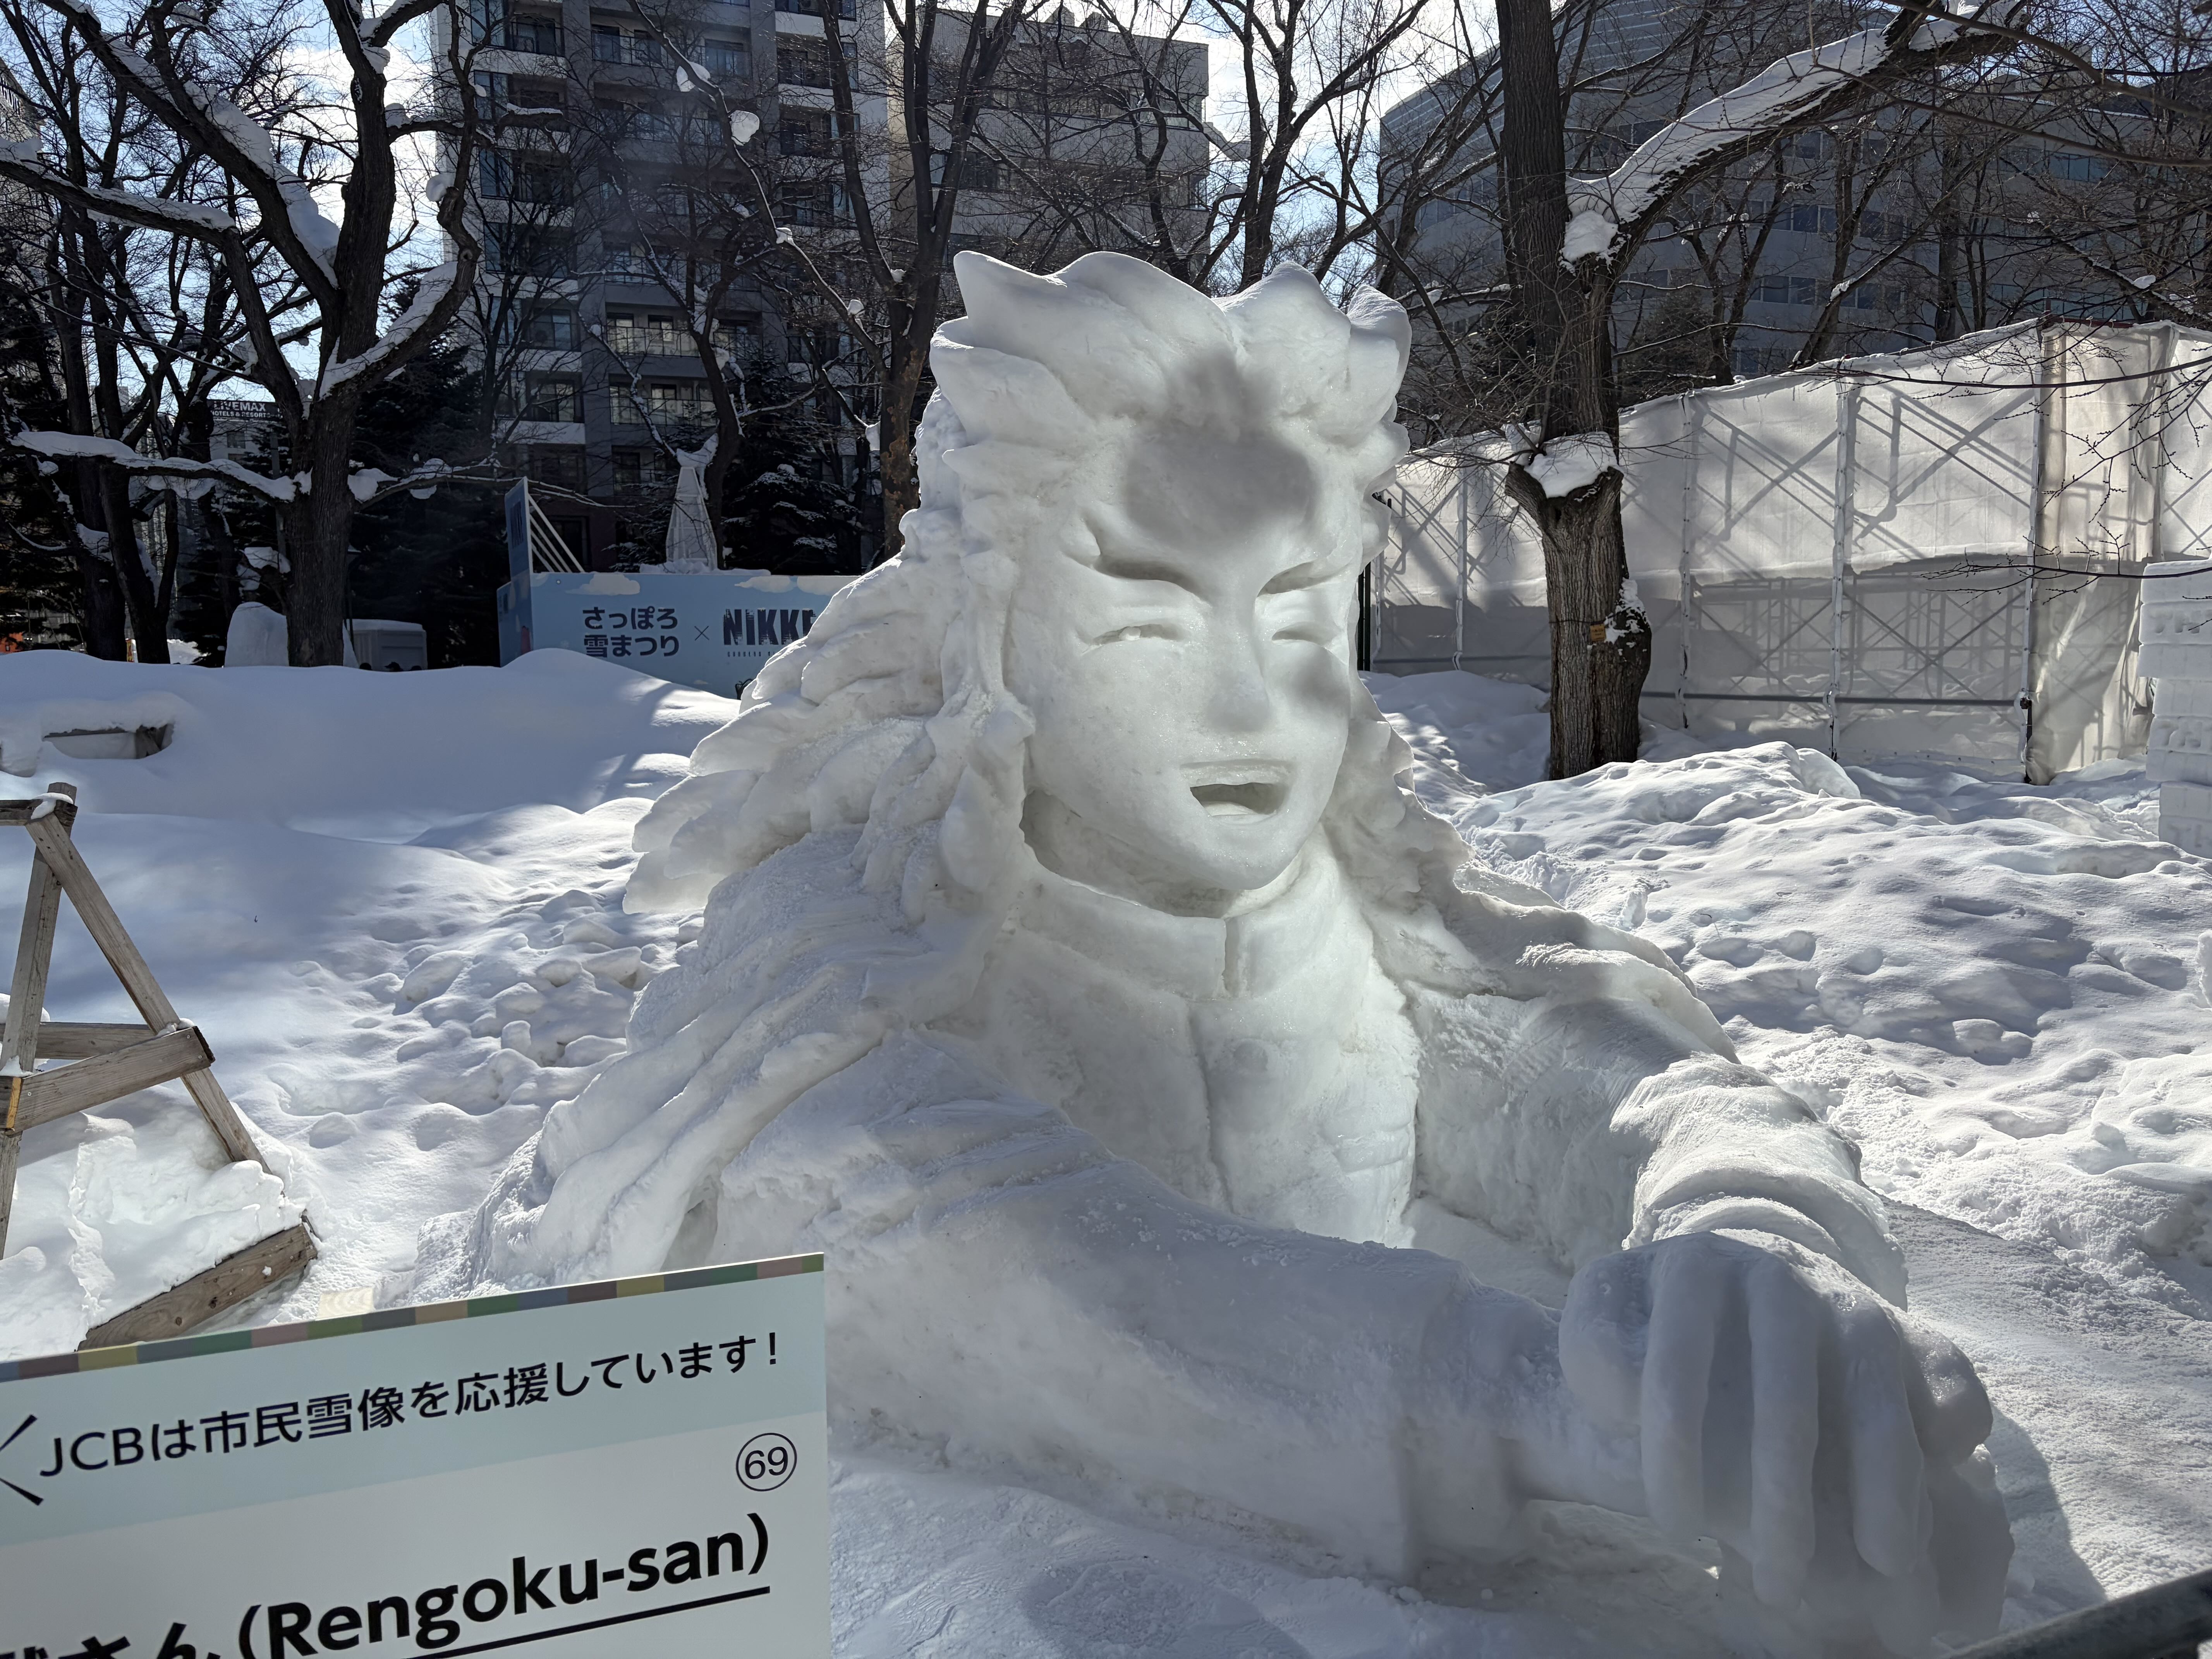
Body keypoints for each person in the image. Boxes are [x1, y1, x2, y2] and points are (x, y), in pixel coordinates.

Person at [414, 252, 2009, 1654]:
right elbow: (1016, 1267)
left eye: (1302, 618)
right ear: (991, 635)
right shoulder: (866, 948)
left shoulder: (1370, 905)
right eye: (1148, 624)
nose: (1252, 708)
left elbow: (1595, 1058)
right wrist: (1558, 1409)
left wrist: (1753, 1241)